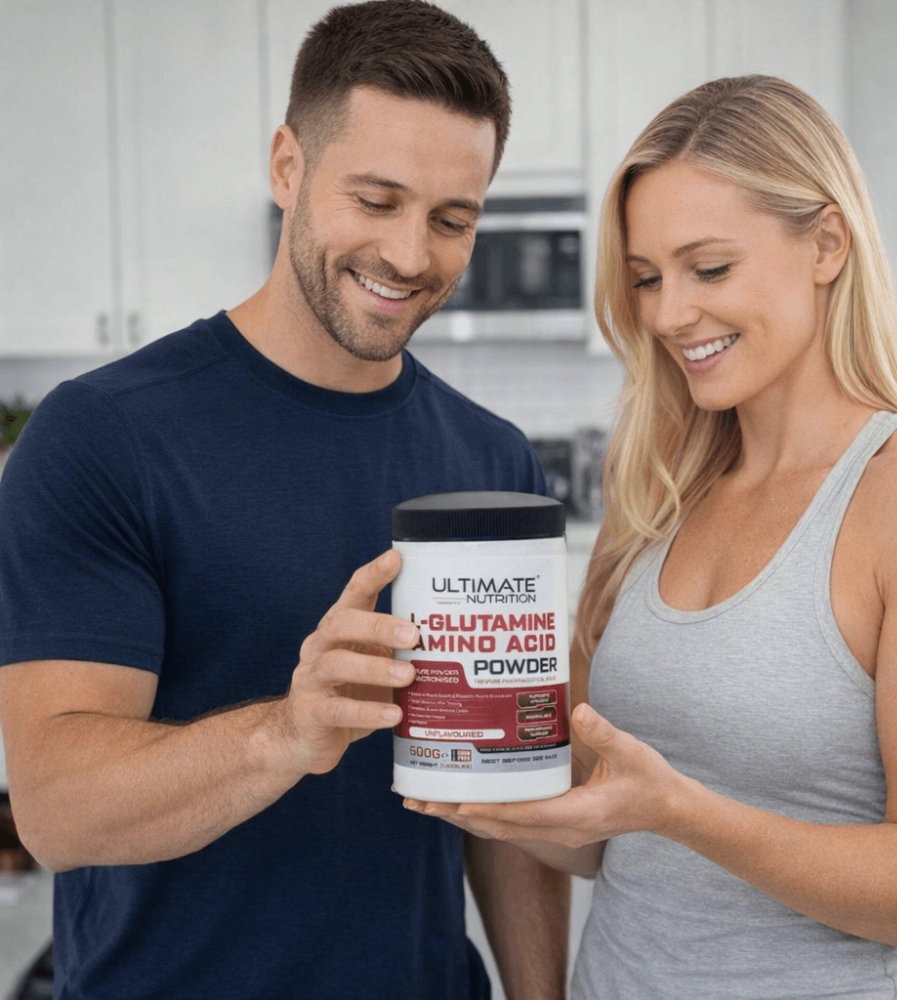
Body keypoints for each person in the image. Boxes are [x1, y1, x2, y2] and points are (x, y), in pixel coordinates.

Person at [0, 3, 570, 998]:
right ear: (286, 167)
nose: (410, 255)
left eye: (452, 217)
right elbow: (54, 809)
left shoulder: (492, 460)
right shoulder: (102, 435)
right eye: (377, 199)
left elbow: (505, 807)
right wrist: (287, 734)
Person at [405, 75, 897, 998]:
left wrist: (681, 810)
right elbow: (600, 841)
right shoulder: (652, 490)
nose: (668, 314)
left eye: (709, 268)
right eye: (646, 278)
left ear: (826, 245)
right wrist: (453, 736)